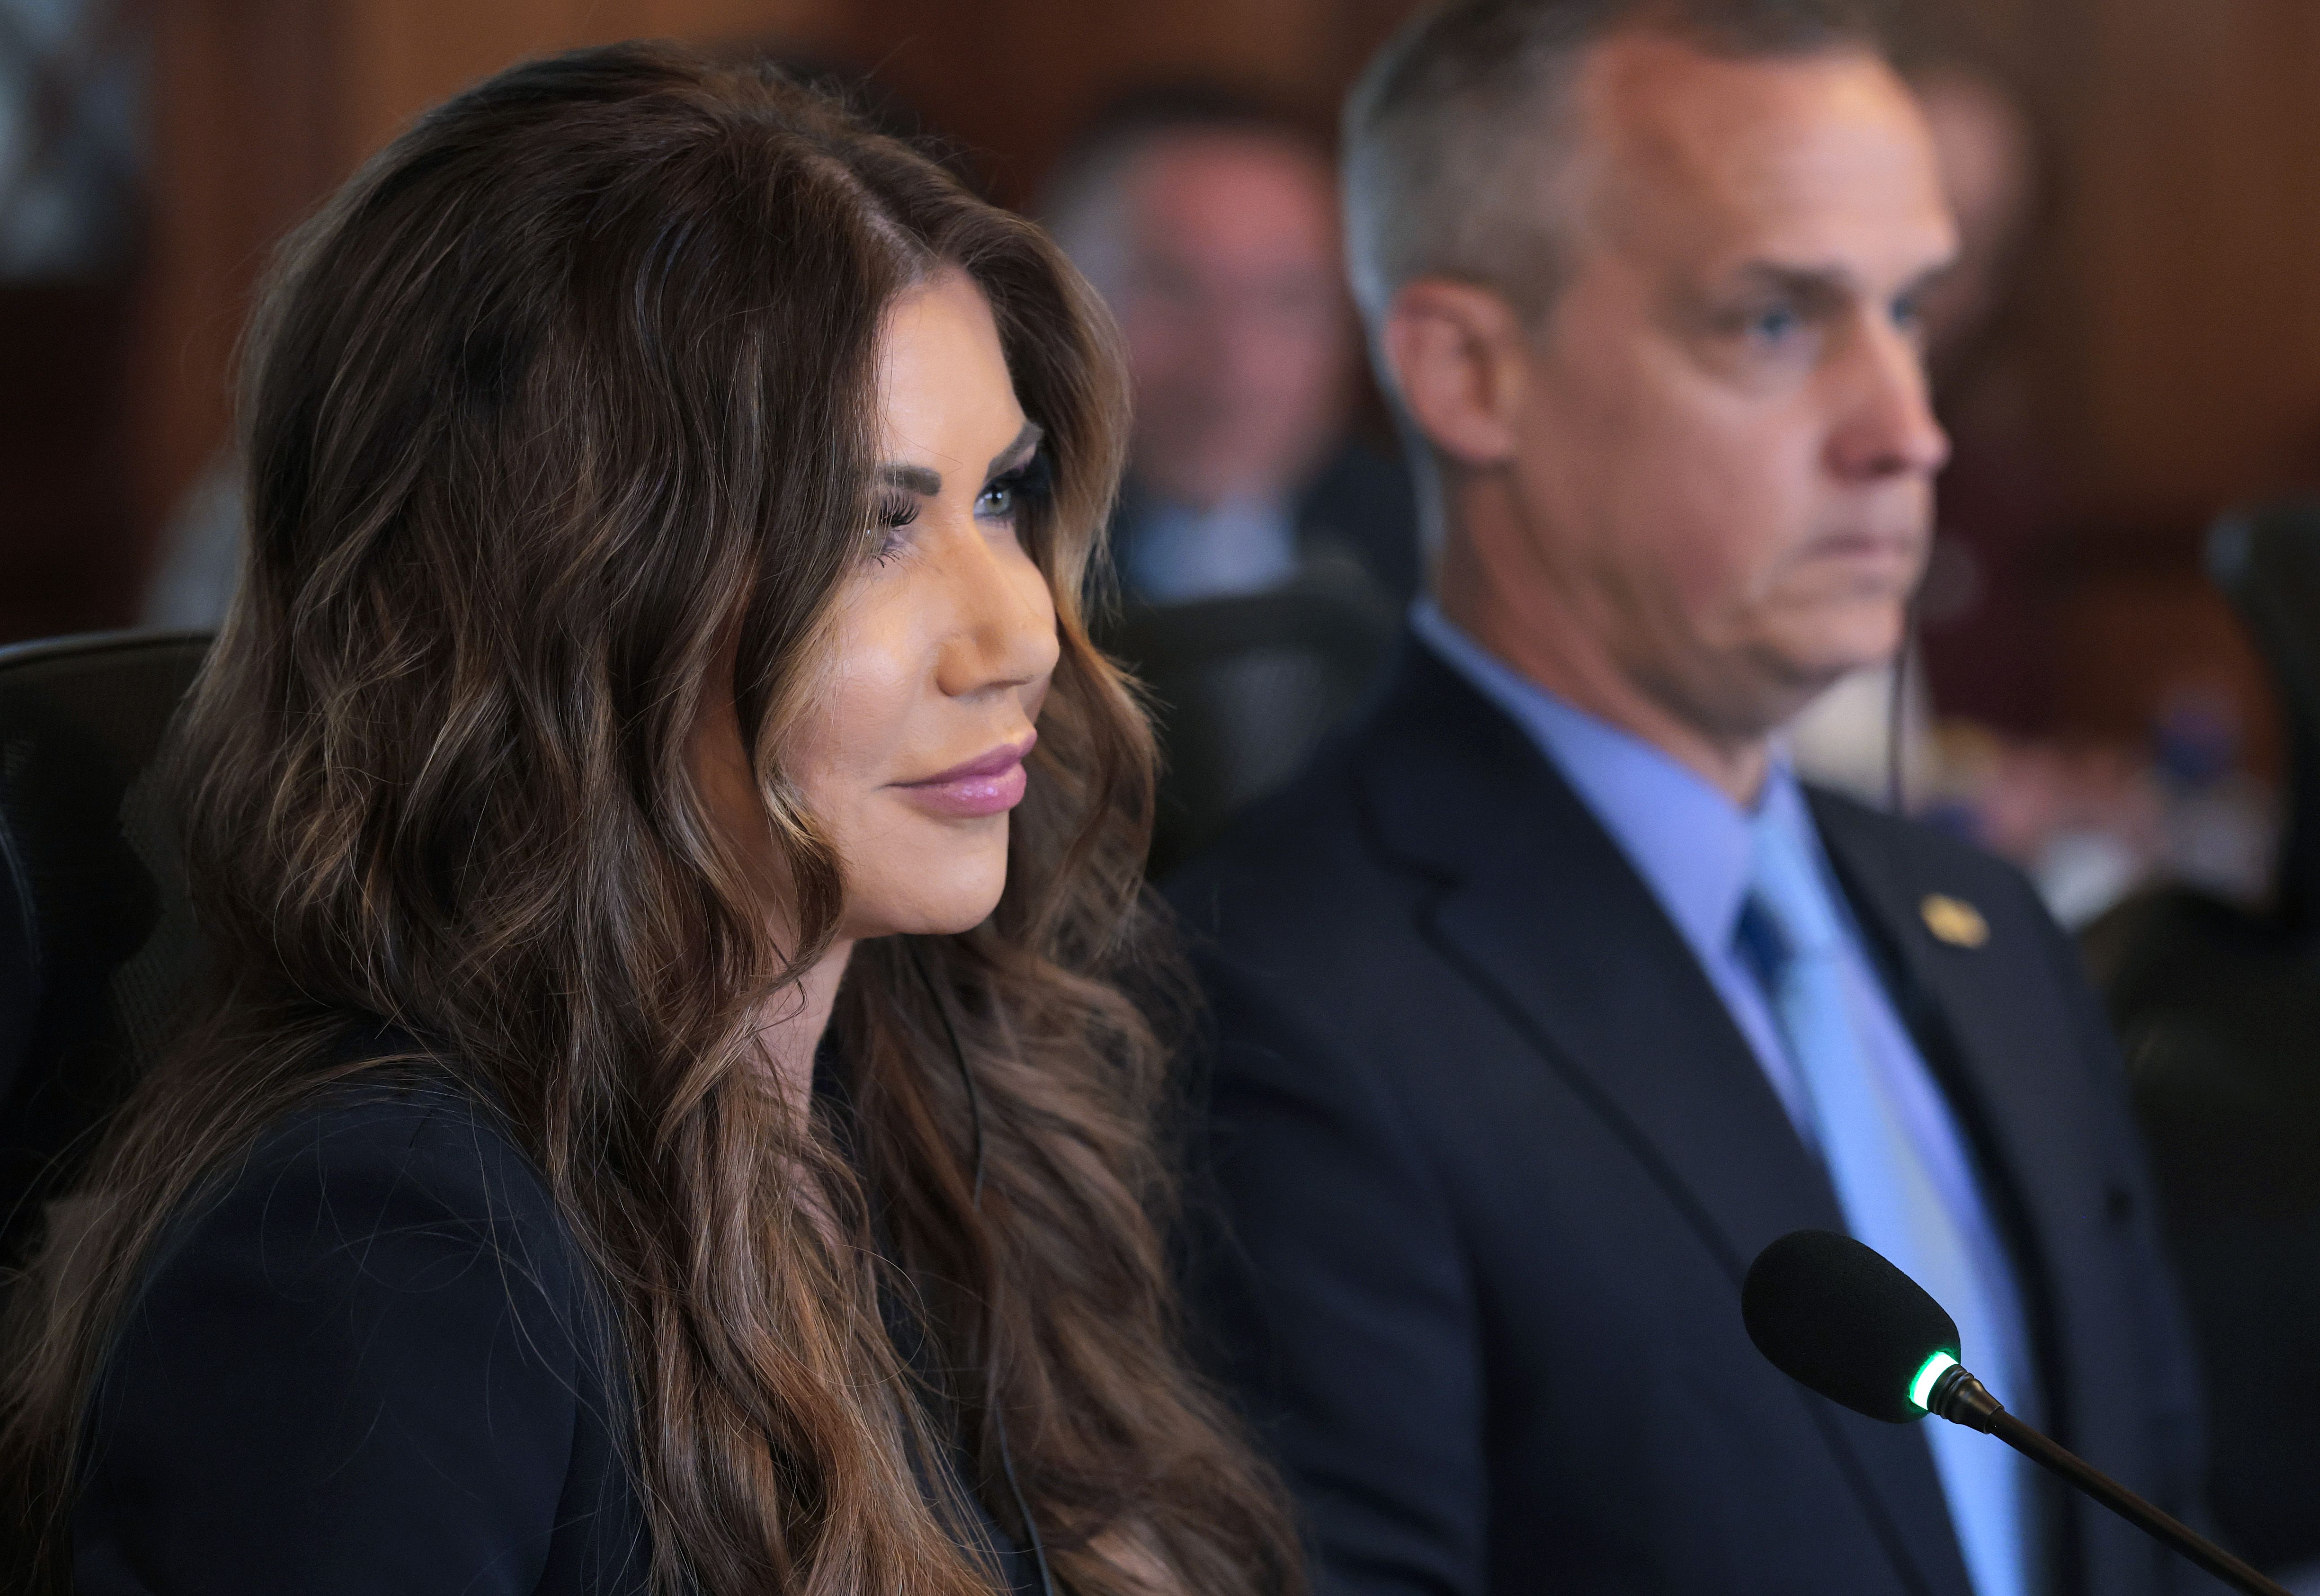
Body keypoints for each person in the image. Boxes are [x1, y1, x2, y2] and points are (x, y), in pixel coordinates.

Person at [0, 45, 1300, 1596]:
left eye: (1000, 499)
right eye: (868, 527)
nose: (1017, 630)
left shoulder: (919, 1102)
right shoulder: (390, 1253)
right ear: (567, 603)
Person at [1173, 4, 2208, 1596]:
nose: (1906, 431)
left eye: (1911, 311)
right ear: (1468, 373)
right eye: (1776, 322)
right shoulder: (1267, 1005)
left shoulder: (1988, 928)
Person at [1041, 87, 1419, 608]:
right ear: (1055, 298)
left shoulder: (1445, 559)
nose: (1234, 363)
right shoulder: (980, 553)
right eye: (1171, 286)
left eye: (1288, 299)